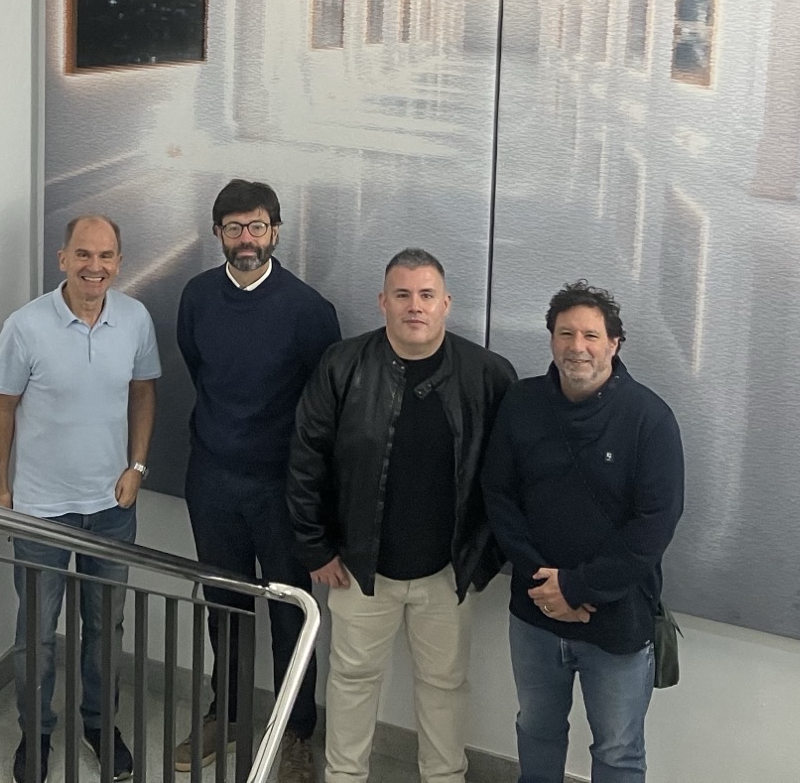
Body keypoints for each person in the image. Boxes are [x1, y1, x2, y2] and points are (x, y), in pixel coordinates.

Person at [288, 249, 516, 783]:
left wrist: (482, 562)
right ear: (383, 302)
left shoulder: (487, 375)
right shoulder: (342, 365)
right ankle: (344, 777)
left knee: (445, 686)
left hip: (448, 573)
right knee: (352, 680)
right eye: (403, 294)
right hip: (358, 569)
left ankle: (445, 778)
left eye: (426, 295)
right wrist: (316, 547)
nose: (415, 306)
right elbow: (305, 458)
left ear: (446, 304)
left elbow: (510, 478)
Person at [481, 283, 684, 783]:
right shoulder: (521, 402)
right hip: (535, 611)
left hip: (617, 620)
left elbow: (654, 525)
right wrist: (544, 584)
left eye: (591, 335)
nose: (578, 347)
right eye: (565, 333)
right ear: (551, 339)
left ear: (615, 343)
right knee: (536, 729)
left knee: (618, 750)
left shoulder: (650, 419)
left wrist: (576, 588)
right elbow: (499, 496)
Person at [175, 179, 340, 783]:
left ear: (275, 231)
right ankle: (228, 713)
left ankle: (295, 732)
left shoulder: (309, 311)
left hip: (282, 490)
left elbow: (324, 409)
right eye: (234, 228)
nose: (246, 239)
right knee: (225, 605)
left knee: (292, 614)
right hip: (211, 479)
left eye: (257, 226)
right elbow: (198, 368)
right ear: (217, 233)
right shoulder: (197, 296)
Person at [0, 215, 159, 783]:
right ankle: (35, 734)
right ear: (62, 259)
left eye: (106, 256)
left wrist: (137, 467)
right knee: (36, 635)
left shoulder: (135, 319)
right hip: (41, 510)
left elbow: (143, 394)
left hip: (112, 508)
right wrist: (1, 490)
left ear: (119, 263)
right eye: (83, 254)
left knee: (106, 629)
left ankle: (99, 726)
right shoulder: (25, 326)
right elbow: (1, 409)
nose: (94, 266)